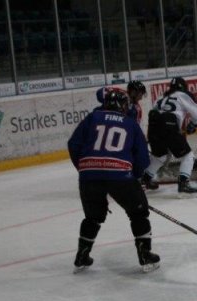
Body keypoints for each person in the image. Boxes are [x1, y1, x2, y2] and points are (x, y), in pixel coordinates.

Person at [67, 90, 160, 273]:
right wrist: (134, 176)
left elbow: (73, 144)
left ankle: (82, 255)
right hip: (121, 176)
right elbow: (142, 157)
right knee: (138, 214)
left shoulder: (92, 117)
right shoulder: (131, 123)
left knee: (92, 217)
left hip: (89, 176)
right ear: (124, 106)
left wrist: (85, 169)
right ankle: (145, 255)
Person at [141, 77, 197, 197]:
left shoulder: (161, 97)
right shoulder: (183, 94)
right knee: (188, 156)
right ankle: (183, 184)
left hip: (153, 126)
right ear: (183, 87)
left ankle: (145, 180)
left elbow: (155, 112)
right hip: (169, 125)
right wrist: (194, 124)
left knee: (160, 155)